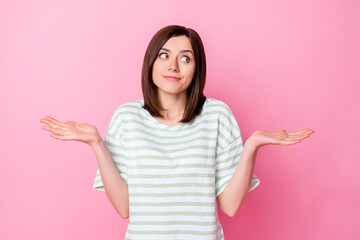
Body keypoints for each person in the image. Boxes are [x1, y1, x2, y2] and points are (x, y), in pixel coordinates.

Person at [40, 25, 314, 240]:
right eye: (164, 55)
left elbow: (230, 206)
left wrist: (252, 145)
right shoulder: (127, 118)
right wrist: (97, 144)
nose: (173, 66)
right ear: (151, 63)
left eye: (185, 58)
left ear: (197, 69)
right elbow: (124, 207)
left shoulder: (217, 115)